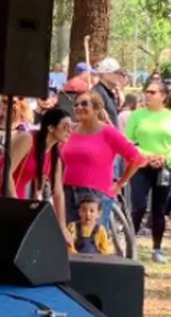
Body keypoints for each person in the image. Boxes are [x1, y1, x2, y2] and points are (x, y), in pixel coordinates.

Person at [0, 109, 73, 243]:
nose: (69, 131)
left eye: (71, 127)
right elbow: (6, 171)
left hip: (15, 197)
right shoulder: (28, 139)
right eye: (65, 126)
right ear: (50, 127)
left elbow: (58, 193)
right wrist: (15, 204)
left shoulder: (55, 155)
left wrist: (62, 226)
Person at [62, 90, 143, 228]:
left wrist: (119, 184)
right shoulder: (71, 131)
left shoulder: (108, 132)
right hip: (68, 191)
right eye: (76, 104)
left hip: (95, 194)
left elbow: (136, 158)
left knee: (91, 242)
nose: (78, 107)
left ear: (97, 108)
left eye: (84, 104)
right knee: (69, 239)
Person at [125, 78, 171, 263]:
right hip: (141, 166)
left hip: (164, 168)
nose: (148, 95)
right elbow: (128, 142)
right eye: (147, 91)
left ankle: (157, 248)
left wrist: (163, 158)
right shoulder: (136, 116)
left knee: (159, 210)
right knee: (139, 206)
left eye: (152, 92)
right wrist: (147, 156)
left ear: (164, 96)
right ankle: (131, 245)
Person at [93, 57, 122, 126]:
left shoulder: (107, 93)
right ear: (105, 74)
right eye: (116, 73)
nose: (120, 76)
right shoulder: (97, 94)